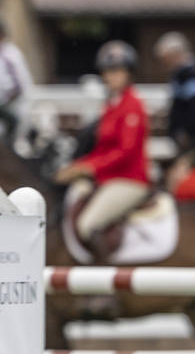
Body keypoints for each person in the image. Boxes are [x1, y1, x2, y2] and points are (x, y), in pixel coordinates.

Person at [55, 40, 150, 260]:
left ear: (128, 73)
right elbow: (102, 148)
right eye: (107, 71)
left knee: (87, 225)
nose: (110, 76)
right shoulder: (111, 105)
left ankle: (103, 283)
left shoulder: (133, 105)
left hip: (129, 180)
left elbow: (125, 153)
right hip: (107, 178)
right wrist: (75, 167)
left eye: (117, 71)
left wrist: (87, 168)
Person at [154, 31, 195, 189]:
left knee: (182, 175)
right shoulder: (179, 74)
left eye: (165, 59)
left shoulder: (192, 74)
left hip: (193, 138)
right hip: (185, 137)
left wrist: (185, 131)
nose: (164, 64)